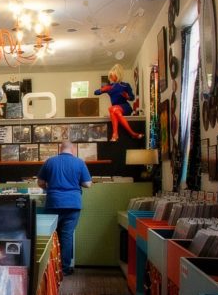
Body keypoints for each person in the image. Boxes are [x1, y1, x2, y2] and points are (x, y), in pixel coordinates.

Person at [37, 140, 92, 275]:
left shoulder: (50, 162)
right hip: (73, 204)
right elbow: (88, 184)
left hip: (53, 202)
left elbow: (40, 182)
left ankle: (48, 269)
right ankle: (64, 269)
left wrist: (49, 187)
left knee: (51, 235)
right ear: (73, 149)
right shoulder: (79, 162)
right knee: (66, 236)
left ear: (60, 149)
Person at [94, 63, 144, 142]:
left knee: (112, 109)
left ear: (118, 75)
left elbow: (132, 98)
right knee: (113, 109)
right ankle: (131, 133)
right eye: (110, 76)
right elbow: (96, 93)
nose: (110, 78)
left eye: (112, 76)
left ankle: (116, 134)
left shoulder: (125, 85)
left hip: (125, 107)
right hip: (116, 110)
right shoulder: (109, 87)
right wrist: (102, 90)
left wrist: (127, 97)